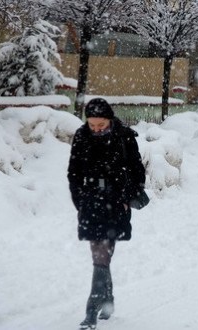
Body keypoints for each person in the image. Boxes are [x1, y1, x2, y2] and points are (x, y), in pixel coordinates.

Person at [67, 98, 146, 330]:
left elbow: (137, 170)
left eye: (100, 124)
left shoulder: (124, 137)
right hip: (91, 203)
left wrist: (126, 200)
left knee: (102, 254)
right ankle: (107, 299)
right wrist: (80, 202)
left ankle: (91, 311)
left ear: (109, 120)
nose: (96, 129)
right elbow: (73, 174)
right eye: (92, 125)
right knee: (100, 255)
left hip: (115, 202)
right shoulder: (82, 136)